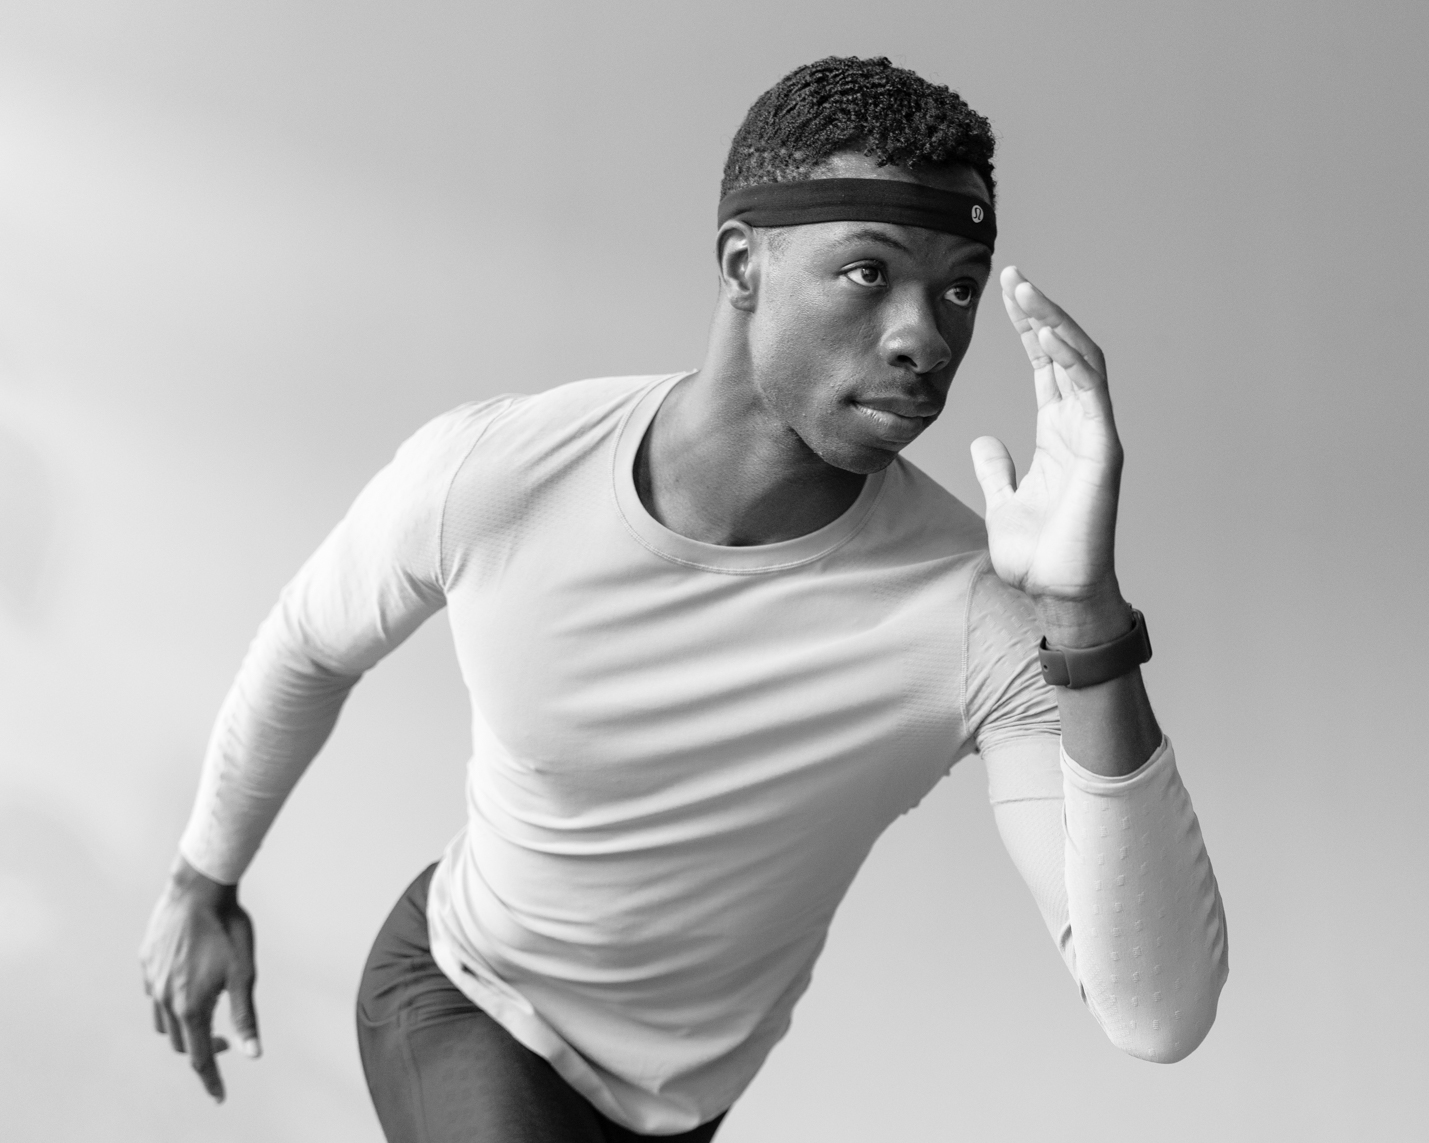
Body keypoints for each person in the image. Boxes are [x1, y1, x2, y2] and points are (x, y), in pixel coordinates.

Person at [140, 56, 1228, 1142]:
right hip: (469, 996)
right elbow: (311, 644)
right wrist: (201, 882)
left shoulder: (978, 615)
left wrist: (1084, 615)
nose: (925, 338)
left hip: (680, 1106)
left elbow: (1156, 1013)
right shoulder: (497, 476)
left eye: (957, 288)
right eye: (868, 272)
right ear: (742, 265)